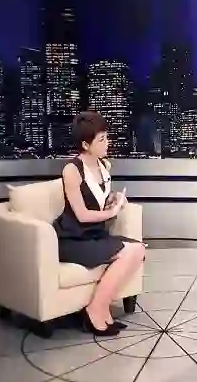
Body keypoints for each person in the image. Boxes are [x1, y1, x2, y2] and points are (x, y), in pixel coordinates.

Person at [54, 112, 146, 337]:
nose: (107, 143)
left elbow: (98, 198)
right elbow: (82, 215)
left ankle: (101, 309)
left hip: (95, 235)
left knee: (139, 249)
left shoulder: (103, 165)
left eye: (107, 137)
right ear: (86, 145)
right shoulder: (72, 170)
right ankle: (95, 311)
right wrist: (111, 212)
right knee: (130, 252)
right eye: (102, 139)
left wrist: (113, 199)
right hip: (73, 239)